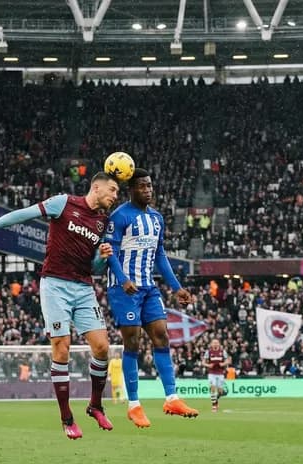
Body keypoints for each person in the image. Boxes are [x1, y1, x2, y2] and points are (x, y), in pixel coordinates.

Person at [0, 172, 119, 440]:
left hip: (83, 288)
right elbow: (23, 214)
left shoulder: (102, 222)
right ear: (97, 187)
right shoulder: (64, 203)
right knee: (62, 347)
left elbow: (92, 268)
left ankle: (95, 406)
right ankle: (67, 418)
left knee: (102, 347)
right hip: (55, 285)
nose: (115, 196)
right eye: (113, 190)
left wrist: (102, 259)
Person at [103, 168, 198, 427]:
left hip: (148, 288)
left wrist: (177, 287)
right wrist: (123, 280)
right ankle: (134, 405)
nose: (148, 190)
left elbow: (160, 256)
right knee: (132, 342)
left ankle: (172, 398)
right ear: (132, 189)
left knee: (162, 336)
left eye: (150, 186)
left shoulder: (156, 218)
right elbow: (108, 251)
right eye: (143, 186)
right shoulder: (120, 216)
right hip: (124, 289)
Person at [204, 338, 230, 412]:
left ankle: (216, 400)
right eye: (214, 343)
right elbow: (203, 362)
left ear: (219, 344)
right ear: (211, 344)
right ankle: (214, 406)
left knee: (220, 391)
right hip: (211, 373)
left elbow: (228, 360)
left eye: (216, 343)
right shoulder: (208, 352)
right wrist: (208, 365)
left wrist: (223, 364)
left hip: (220, 373)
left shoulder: (223, 352)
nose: (215, 344)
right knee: (212, 388)